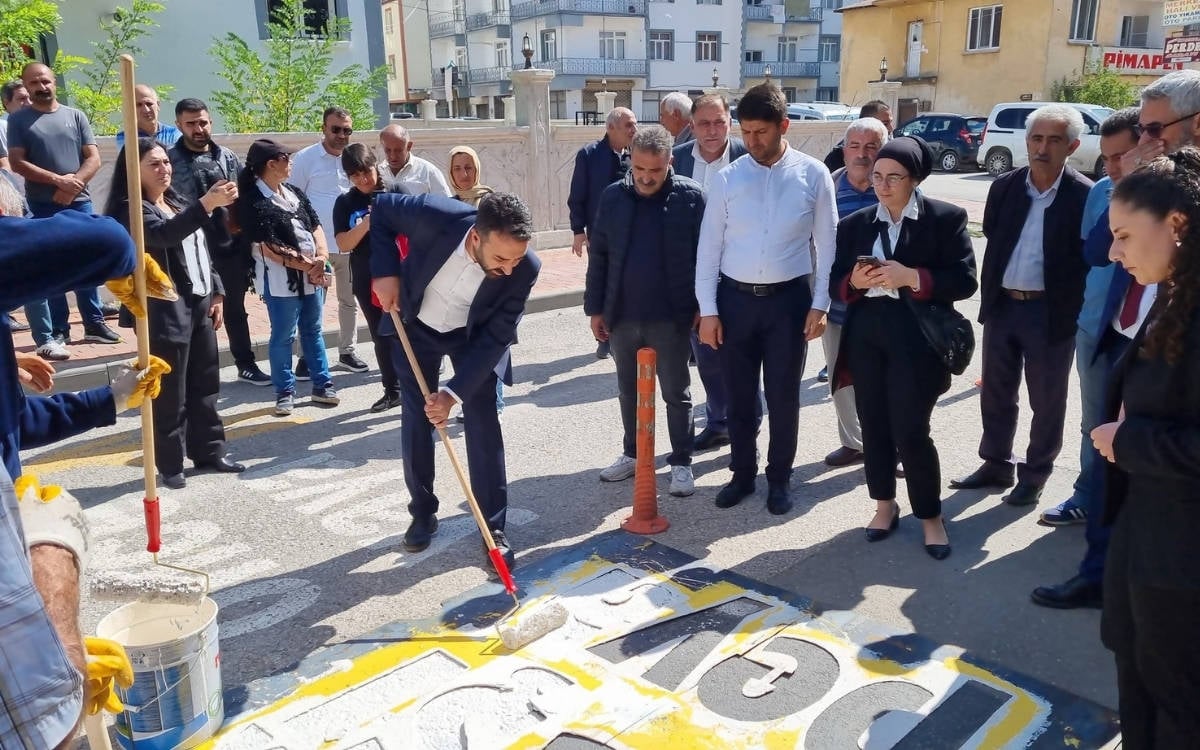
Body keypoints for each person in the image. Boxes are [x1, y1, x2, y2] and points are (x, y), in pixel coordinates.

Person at [1092, 148, 1200, 748]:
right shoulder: (1173, 288)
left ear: (1177, 225)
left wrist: (1130, 440)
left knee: (1176, 698)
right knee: (1138, 676)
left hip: (1183, 560)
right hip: (1149, 536)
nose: (1115, 252)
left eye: (1125, 236)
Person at [370, 192, 540, 567]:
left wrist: (453, 392)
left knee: (483, 421)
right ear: (477, 237)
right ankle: (422, 511)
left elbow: (496, 338)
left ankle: (492, 526)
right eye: (501, 259)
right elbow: (381, 209)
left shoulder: (524, 267)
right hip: (415, 325)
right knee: (418, 419)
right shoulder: (435, 215)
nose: (510, 269)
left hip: (471, 337)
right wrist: (385, 273)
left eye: (515, 259)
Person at [831, 136, 977, 560]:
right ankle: (884, 505)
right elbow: (835, 283)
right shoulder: (856, 224)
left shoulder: (945, 218)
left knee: (912, 430)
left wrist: (912, 276)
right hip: (867, 334)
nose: (883, 185)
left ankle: (930, 516)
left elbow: (965, 280)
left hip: (917, 335)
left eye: (893, 177)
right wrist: (854, 283)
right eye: (876, 176)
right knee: (873, 424)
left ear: (915, 179)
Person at [695, 83, 837, 515]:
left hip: (789, 303)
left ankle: (779, 478)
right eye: (748, 132)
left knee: (782, 396)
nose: (753, 141)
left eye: (762, 132)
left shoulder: (813, 174)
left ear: (784, 126)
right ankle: (742, 474)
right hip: (734, 301)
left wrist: (821, 303)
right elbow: (709, 249)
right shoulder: (728, 178)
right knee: (739, 395)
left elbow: (828, 245)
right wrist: (709, 311)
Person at [1032, 108, 1145, 609]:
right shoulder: (1105, 192)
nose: (1116, 165)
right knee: (1098, 430)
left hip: (1154, 339)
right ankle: (1094, 529)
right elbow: (1097, 253)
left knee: (1142, 445)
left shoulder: (1180, 195)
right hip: (1104, 329)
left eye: (1126, 155)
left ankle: (1124, 551)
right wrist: (1125, 187)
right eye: (1110, 157)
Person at [952, 104, 1093, 505]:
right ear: (1026, 141)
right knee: (996, 392)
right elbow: (994, 236)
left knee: (1046, 398)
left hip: (1051, 313)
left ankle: (1035, 473)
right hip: (1003, 307)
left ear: (1072, 146)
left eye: (1053, 140)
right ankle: (996, 462)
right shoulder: (1006, 187)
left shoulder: (1083, 195)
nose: (1042, 147)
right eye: (1036, 138)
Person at [106, 137, 246, 489]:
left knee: (205, 382)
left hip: (199, 301)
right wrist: (207, 204)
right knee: (170, 391)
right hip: (164, 309)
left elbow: (202, 248)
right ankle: (170, 464)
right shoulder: (132, 209)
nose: (164, 169)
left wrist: (216, 291)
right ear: (133, 170)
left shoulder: (175, 200)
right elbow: (164, 236)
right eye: (154, 164)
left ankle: (210, 450)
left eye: (166, 162)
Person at [585, 125, 706, 497]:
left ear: (670, 161)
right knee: (628, 391)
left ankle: (682, 462)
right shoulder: (612, 198)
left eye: (655, 170)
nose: (646, 178)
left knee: (676, 393)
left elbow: (706, 258)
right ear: (630, 162)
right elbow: (600, 255)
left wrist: (704, 306)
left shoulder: (691, 197)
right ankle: (633, 454)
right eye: (639, 169)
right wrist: (595, 309)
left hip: (671, 317)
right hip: (622, 314)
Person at [9, 62, 121, 354]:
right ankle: (60, 328)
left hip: (79, 201)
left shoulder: (76, 116)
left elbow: (93, 158)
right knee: (53, 266)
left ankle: (94, 322)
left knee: (86, 262)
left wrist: (73, 185)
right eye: (34, 83)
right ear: (26, 86)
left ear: (54, 82)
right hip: (42, 204)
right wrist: (57, 181)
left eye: (45, 80)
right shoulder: (20, 121)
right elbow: (17, 162)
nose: (41, 86)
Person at [670, 93, 760, 452]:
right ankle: (719, 421)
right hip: (695, 276)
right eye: (704, 123)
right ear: (692, 125)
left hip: (741, 275)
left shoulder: (748, 157)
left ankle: (748, 430)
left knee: (742, 358)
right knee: (706, 354)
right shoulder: (675, 160)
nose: (711, 130)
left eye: (718, 122)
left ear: (729, 122)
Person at [235, 138, 339, 417]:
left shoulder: (293, 192)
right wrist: (309, 266)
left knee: (313, 330)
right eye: (286, 158)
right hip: (281, 278)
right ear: (272, 164)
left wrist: (321, 256)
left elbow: (314, 224)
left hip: (311, 275)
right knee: (283, 335)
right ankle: (285, 391)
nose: (291, 163)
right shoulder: (252, 201)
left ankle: (322, 384)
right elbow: (268, 246)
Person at [168, 97, 269, 385]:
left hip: (229, 247)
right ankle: (194, 374)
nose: (198, 128)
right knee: (195, 312)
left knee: (235, 309)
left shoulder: (225, 157)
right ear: (179, 125)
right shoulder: (169, 161)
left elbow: (244, 197)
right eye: (191, 124)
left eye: (203, 122)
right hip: (189, 248)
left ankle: (245, 364)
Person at [821, 117, 887, 468]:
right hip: (839, 305)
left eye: (871, 147)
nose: (862, 155)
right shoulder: (828, 189)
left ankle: (893, 448)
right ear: (844, 150)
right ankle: (853, 442)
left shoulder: (898, 188)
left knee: (888, 383)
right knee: (840, 378)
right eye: (855, 146)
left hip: (888, 309)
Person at [291, 106, 368, 375]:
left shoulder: (355, 159)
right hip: (317, 249)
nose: (341, 135)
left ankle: (347, 352)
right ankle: (305, 356)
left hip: (349, 245)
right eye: (336, 129)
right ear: (323, 128)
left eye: (347, 130)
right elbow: (293, 201)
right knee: (313, 303)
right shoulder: (305, 159)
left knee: (349, 301)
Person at [333, 143, 401, 413]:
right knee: (381, 335)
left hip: (399, 275)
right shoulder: (345, 203)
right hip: (366, 277)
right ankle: (392, 390)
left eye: (366, 171)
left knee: (407, 333)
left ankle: (419, 387)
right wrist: (368, 222)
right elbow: (344, 243)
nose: (363, 179)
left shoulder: (394, 193)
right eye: (355, 175)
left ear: (376, 166)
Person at [568, 107, 637, 359]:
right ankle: (603, 337)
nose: (634, 130)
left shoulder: (635, 155)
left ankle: (624, 335)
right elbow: (577, 195)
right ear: (611, 128)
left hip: (631, 235)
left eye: (634, 124)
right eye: (628, 125)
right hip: (599, 235)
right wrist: (578, 230)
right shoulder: (589, 155)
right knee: (601, 283)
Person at [446, 145, 506, 417]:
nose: (464, 173)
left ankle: (494, 402)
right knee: (465, 347)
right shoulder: (449, 204)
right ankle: (469, 399)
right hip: (460, 287)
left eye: (469, 167)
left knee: (490, 345)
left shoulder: (490, 202)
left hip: (489, 283)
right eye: (458, 168)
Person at [378, 124, 453, 196]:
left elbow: (445, 204)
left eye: (398, 150)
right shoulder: (377, 173)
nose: (393, 156)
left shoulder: (428, 172)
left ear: (409, 146)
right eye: (388, 150)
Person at [824, 100, 894, 171]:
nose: (890, 129)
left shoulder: (891, 152)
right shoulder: (836, 158)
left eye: (871, 147)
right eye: (885, 124)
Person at [115, 84, 181, 147]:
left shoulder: (174, 135)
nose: (146, 110)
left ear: (158, 105)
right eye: (139, 105)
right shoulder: (123, 139)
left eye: (149, 104)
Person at [0, 79, 31, 175]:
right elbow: (6, 165)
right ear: (6, 102)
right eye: (22, 99)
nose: (29, 103)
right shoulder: (2, 126)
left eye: (31, 98)